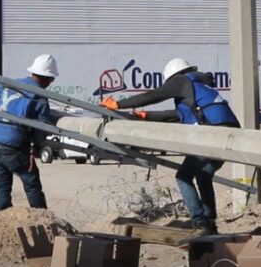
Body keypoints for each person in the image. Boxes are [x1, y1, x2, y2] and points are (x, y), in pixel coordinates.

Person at [101, 58, 239, 235]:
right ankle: (210, 222)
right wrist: (146, 115)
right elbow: (174, 115)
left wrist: (119, 104)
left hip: (210, 135)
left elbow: (152, 96)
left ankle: (199, 221)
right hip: (231, 135)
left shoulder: (180, 81)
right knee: (203, 175)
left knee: (183, 176)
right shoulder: (200, 87)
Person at [0, 54, 59, 211]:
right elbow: (42, 128)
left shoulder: (13, 84)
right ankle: (42, 218)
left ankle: (1, 221)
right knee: (31, 182)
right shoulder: (40, 96)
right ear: (48, 78)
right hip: (13, 143)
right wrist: (39, 144)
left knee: (2, 185)